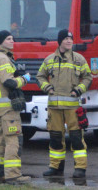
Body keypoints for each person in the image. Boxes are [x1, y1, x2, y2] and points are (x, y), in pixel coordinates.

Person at [38, 29, 92, 179]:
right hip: (54, 108)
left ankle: (80, 168)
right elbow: (40, 76)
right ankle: (55, 167)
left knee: (76, 138)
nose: (69, 41)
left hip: (72, 107)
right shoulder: (49, 59)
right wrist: (47, 87)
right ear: (60, 41)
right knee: (55, 138)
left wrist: (78, 90)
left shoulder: (79, 59)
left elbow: (88, 78)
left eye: (71, 39)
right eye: (66, 39)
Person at [0, 30, 32, 184]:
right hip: (8, 108)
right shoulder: (3, 59)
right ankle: (13, 175)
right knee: (13, 140)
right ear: (1, 41)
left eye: (12, 38)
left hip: (1, 108)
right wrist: (24, 79)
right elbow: (9, 82)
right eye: (8, 39)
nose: (12, 41)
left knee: (0, 141)